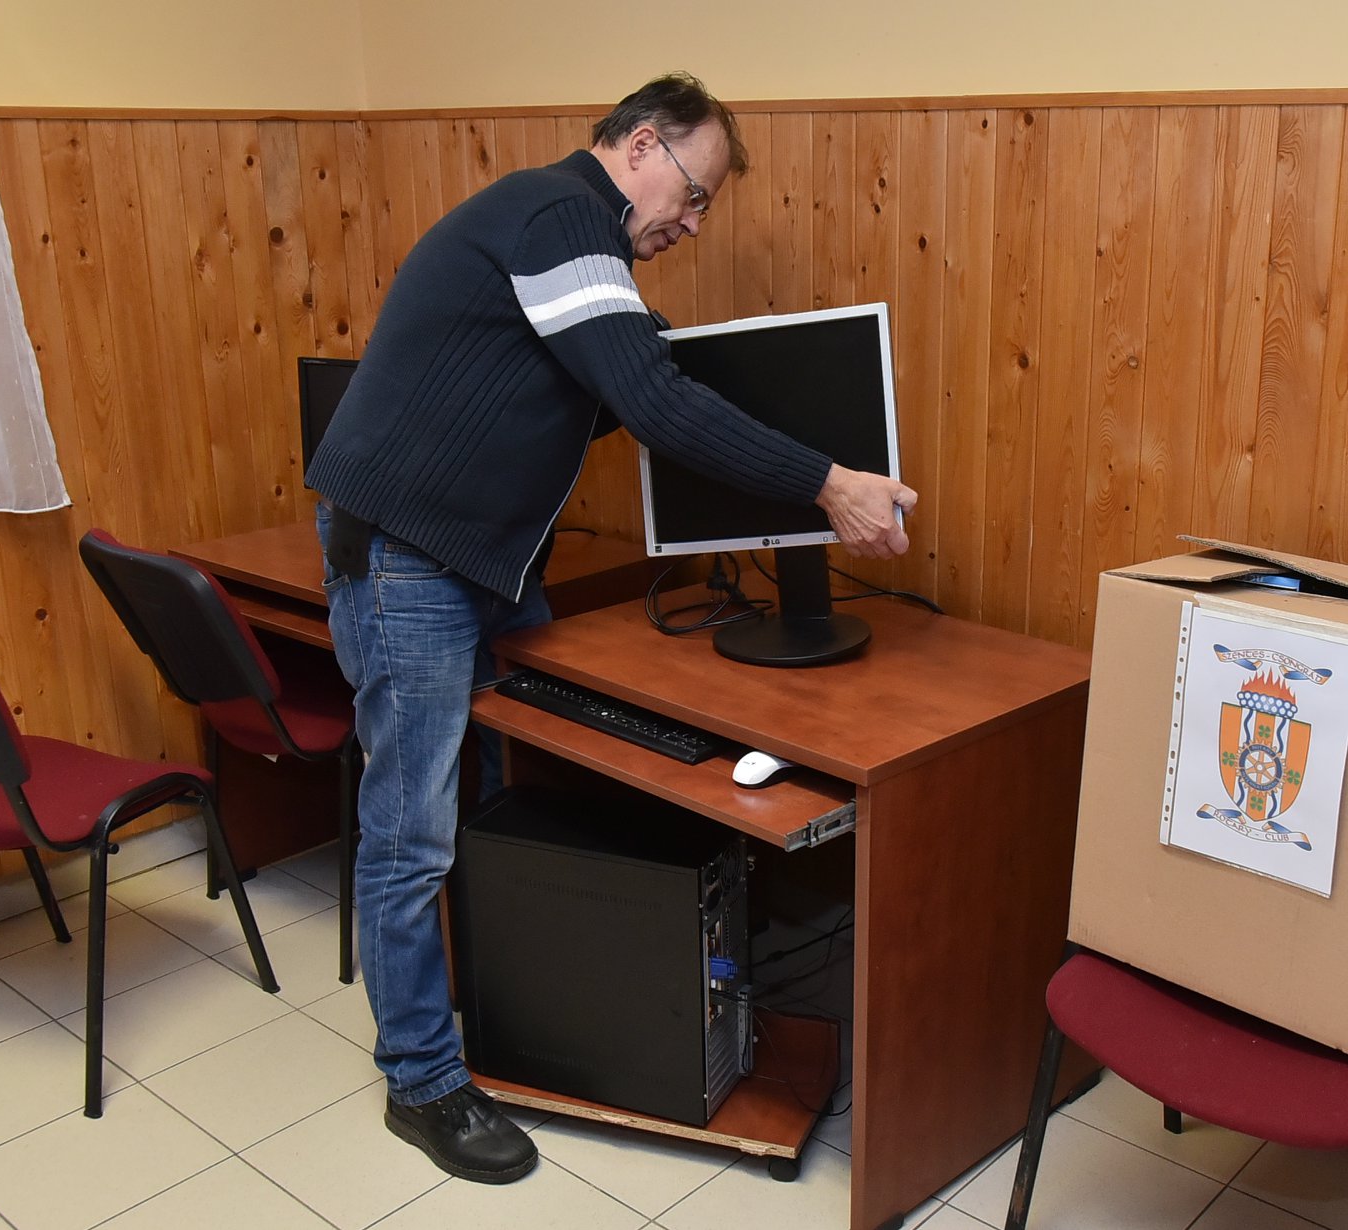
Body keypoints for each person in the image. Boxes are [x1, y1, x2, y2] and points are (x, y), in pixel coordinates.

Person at [303, 72, 916, 1185]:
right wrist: (828, 483)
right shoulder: (562, 220)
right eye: (695, 192)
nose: (694, 223)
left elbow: (599, 380)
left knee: (533, 778)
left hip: (475, 561)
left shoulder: (570, 242)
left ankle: (533, 1009)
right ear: (639, 146)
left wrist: (669, 368)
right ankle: (422, 1080)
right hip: (409, 557)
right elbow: (656, 405)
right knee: (412, 831)